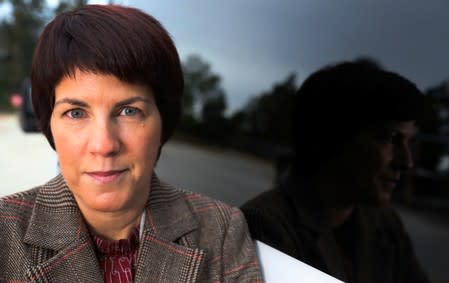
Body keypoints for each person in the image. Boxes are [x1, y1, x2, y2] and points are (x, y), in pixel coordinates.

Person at [0, 5, 262, 282]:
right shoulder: (5, 235)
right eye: (76, 113)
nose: (104, 144)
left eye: (129, 111)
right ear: (48, 124)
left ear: (164, 121)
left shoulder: (221, 230)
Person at [241, 59, 430, 283]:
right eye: (390, 139)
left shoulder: (386, 224)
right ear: (333, 138)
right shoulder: (264, 226)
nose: (406, 161)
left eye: (409, 142)